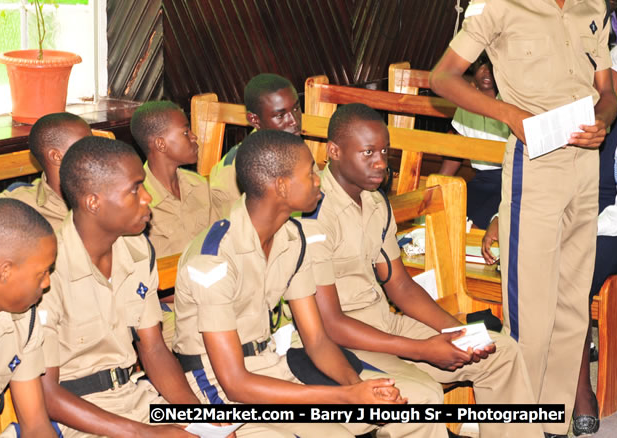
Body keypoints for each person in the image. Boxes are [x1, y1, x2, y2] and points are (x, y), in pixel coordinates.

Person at [429, 0, 616, 435]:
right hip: (534, 166)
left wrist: (604, 118)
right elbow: (443, 78)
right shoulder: (498, 2)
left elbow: (607, 87)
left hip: (586, 165)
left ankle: (552, 422)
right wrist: (511, 115)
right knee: (528, 310)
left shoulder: (592, 5)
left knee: (571, 304)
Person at [304, 104, 542, 438]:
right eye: (368, 152)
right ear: (334, 151)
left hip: (383, 323)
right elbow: (330, 323)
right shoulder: (315, 211)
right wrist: (422, 349)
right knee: (422, 397)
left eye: (385, 151)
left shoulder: (374, 201)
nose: (380, 163)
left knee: (500, 352)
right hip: (341, 344)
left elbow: (400, 285)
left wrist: (458, 333)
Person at [172, 129, 424, 438]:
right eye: (311, 174)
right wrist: (346, 397)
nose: (319, 181)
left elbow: (316, 339)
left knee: (403, 411)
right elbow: (234, 382)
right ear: (281, 186)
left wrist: (359, 390)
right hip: (215, 383)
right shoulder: (213, 259)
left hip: (267, 364)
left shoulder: (294, 238)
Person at [483, 110, 617, 436]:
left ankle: (578, 386)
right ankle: (536, 393)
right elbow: (523, 187)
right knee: (531, 276)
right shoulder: (543, 125)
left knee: (569, 276)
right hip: (547, 224)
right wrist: (499, 217)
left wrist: (581, 228)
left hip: (606, 231)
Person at [38, 136, 203, 438]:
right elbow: (47, 395)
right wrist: (147, 434)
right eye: (134, 189)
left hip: (136, 398)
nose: (148, 198)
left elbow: (153, 348)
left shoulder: (136, 249)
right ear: (93, 202)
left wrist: (198, 419)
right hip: (80, 416)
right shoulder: (47, 272)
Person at [0, 199, 58, 438]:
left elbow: (35, 424)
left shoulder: (22, 319)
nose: (47, 283)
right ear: (5, 272)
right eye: (42, 273)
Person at [0, 113, 93, 227]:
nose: (96, 151)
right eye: (86, 146)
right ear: (56, 156)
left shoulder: (106, 193)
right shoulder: (20, 203)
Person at [130, 101, 218, 257]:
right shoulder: (137, 202)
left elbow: (217, 241)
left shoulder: (198, 185)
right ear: (161, 144)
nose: (194, 136)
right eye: (185, 132)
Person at [209, 74, 303, 217]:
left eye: (296, 109)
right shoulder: (234, 175)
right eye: (280, 116)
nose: (294, 121)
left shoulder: (294, 147)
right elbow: (237, 233)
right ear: (255, 120)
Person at [437, 54, 509, 229]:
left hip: (507, 182)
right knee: (450, 215)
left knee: (478, 224)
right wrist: (438, 184)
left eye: (491, 65)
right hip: (481, 180)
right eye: (482, 65)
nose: (486, 70)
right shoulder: (466, 106)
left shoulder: (510, 105)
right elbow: (457, 150)